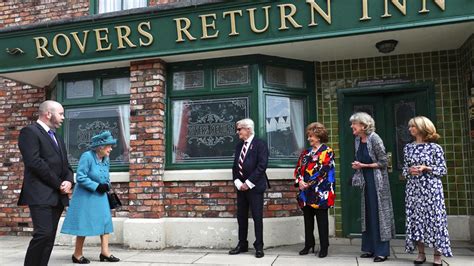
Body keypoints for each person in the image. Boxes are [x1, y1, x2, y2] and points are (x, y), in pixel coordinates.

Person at [17, 100, 74, 266]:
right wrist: (58, 183)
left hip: (57, 195)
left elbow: (66, 165)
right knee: (42, 234)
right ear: (48, 113)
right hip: (40, 193)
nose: (63, 117)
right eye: (61, 113)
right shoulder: (30, 132)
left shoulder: (57, 136)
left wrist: (69, 181)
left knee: (49, 238)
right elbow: (34, 162)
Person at [61, 131, 120, 264]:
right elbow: (80, 177)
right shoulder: (87, 156)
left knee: (105, 222)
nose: (111, 149)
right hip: (86, 196)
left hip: (101, 196)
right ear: (100, 147)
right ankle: (77, 254)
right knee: (84, 224)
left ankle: (105, 253)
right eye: (109, 146)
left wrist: (107, 186)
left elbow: (106, 176)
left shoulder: (106, 158)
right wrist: (96, 186)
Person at [403, 116, 452, 266]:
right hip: (414, 189)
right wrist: (410, 171)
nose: (410, 129)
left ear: (423, 128)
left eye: (413, 126)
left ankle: (437, 255)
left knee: (435, 220)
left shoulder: (435, 148)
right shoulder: (408, 147)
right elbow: (404, 170)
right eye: (410, 126)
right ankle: (421, 254)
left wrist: (426, 168)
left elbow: (442, 170)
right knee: (416, 220)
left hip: (432, 189)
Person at [350, 112, 395, 263]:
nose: (352, 127)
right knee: (367, 214)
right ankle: (369, 248)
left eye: (354, 124)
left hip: (377, 182)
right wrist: (358, 165)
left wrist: (364, 165)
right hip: (365, 181)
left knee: (379, 214)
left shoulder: (375, 138)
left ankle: (382, 251)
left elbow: (384, 162)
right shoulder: (357, 139)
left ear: (363, 125)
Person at [229, 118, 269, 258]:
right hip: (241, 188)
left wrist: (248, 183)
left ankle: (259, 246)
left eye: (239, 129)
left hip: (255, 187)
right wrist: (238, 183)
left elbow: (262, 166)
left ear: (248, 129)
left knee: (257, 217)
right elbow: (235, 166)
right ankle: (242, 244)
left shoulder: (260, 144)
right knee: (241, 217)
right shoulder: (239, 146)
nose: (237, 132)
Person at [294, 122, 336, 258]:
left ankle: (324, 247)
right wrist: (300, 181)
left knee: (322, 221)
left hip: (321, 192)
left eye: (311, 136)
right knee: (308, 220)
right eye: (308, 136)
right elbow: (298, 169)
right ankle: (309, 244)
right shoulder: (305, 153)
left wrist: (309, 183)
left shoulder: (327, 152)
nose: (309, 139)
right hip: (305, 193)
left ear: (318, 136)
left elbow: (324, 171)